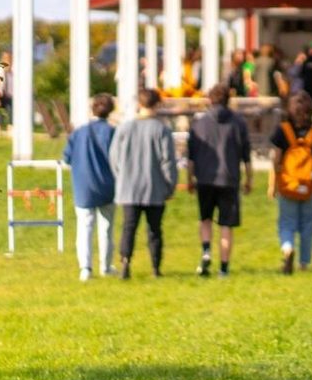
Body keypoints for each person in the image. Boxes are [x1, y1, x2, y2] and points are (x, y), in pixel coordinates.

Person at [108, 89, 179, 279]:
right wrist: (170, 185)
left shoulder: (125, 128)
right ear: (157, 105)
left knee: (128, 227)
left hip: (128, 188)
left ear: (139, 104)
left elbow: (114, 157)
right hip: (154, 188)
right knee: (154, 229)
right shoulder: (162, 130)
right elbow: (168, 161)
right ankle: (156, 267)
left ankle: (125, 263)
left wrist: (120, 177)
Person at [186, 83, 254, 278]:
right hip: (229, 179)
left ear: (210, 99)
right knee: (226, 225)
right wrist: (249, 179)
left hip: (205, 178)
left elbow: (191, 156)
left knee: (205, 218)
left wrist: (189, 179)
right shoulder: (238, 123)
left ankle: (206, 251)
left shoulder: (199, 123)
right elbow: (246, 155)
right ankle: (223, 268)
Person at [269, 92, 312, 274]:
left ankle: (288, 248)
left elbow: (276, 161)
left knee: (287, 222)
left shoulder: (283, 130)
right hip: (310, 184)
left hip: (288, 184)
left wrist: (272, 184)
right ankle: (304, 264)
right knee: (307, 223)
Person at [62, 93, 118, 281]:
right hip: (107, 185)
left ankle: (85, 268)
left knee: (84, 227)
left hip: (83, 186)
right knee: (106, 227)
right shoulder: (112, 132)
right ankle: (106, 265)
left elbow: (67, 159)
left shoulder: (78, 133)